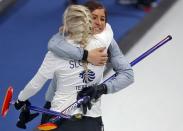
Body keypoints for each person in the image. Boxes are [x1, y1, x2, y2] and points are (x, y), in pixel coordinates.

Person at [14, 4, 121, 131]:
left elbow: (35, 85)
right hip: (91, 119)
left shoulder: (55, 54)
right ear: (88, 23)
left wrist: (20, 100)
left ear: (66, 25)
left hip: (58, 117)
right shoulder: (102, 43)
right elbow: (108, 28)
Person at [41, 0, 134, 129]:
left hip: (88, 115)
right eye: (93, 17)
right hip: (57, 112)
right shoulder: (68, 38)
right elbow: (54, 49)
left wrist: (102, 88)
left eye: (103, 19)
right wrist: (87, 55)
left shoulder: (108, 42)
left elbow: (128, 75)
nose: (98, 22)